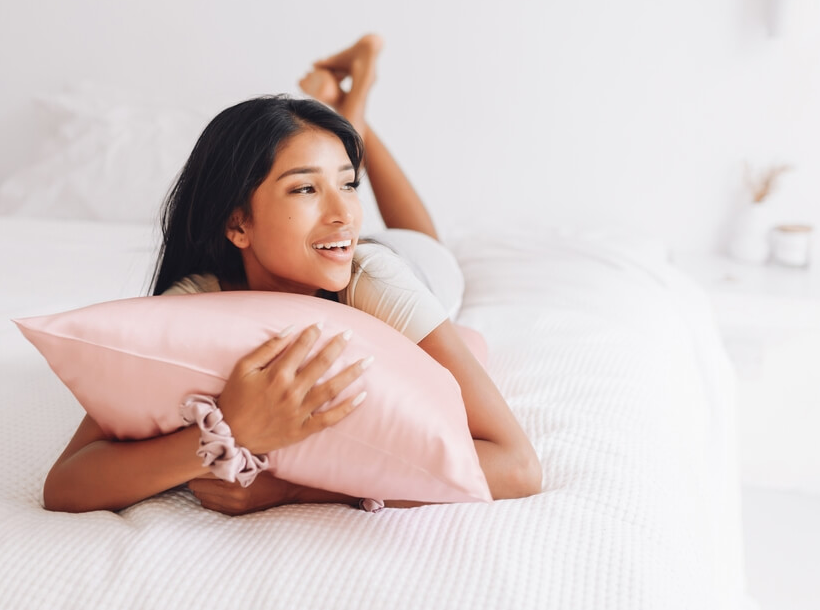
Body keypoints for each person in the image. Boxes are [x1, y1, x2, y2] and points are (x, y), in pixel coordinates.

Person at [43, 34, 541, 515]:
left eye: (349, 184)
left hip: (409, 267)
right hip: (340, 255)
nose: (345, 211)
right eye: (305, 189)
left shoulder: (373, 279)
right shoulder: (194, 305)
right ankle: (347, 109)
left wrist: (293, 491)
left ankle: (355, 111)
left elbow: (517, 467)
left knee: (427, 244)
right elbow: (66, 485)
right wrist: (225, 434)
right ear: (238, 222)